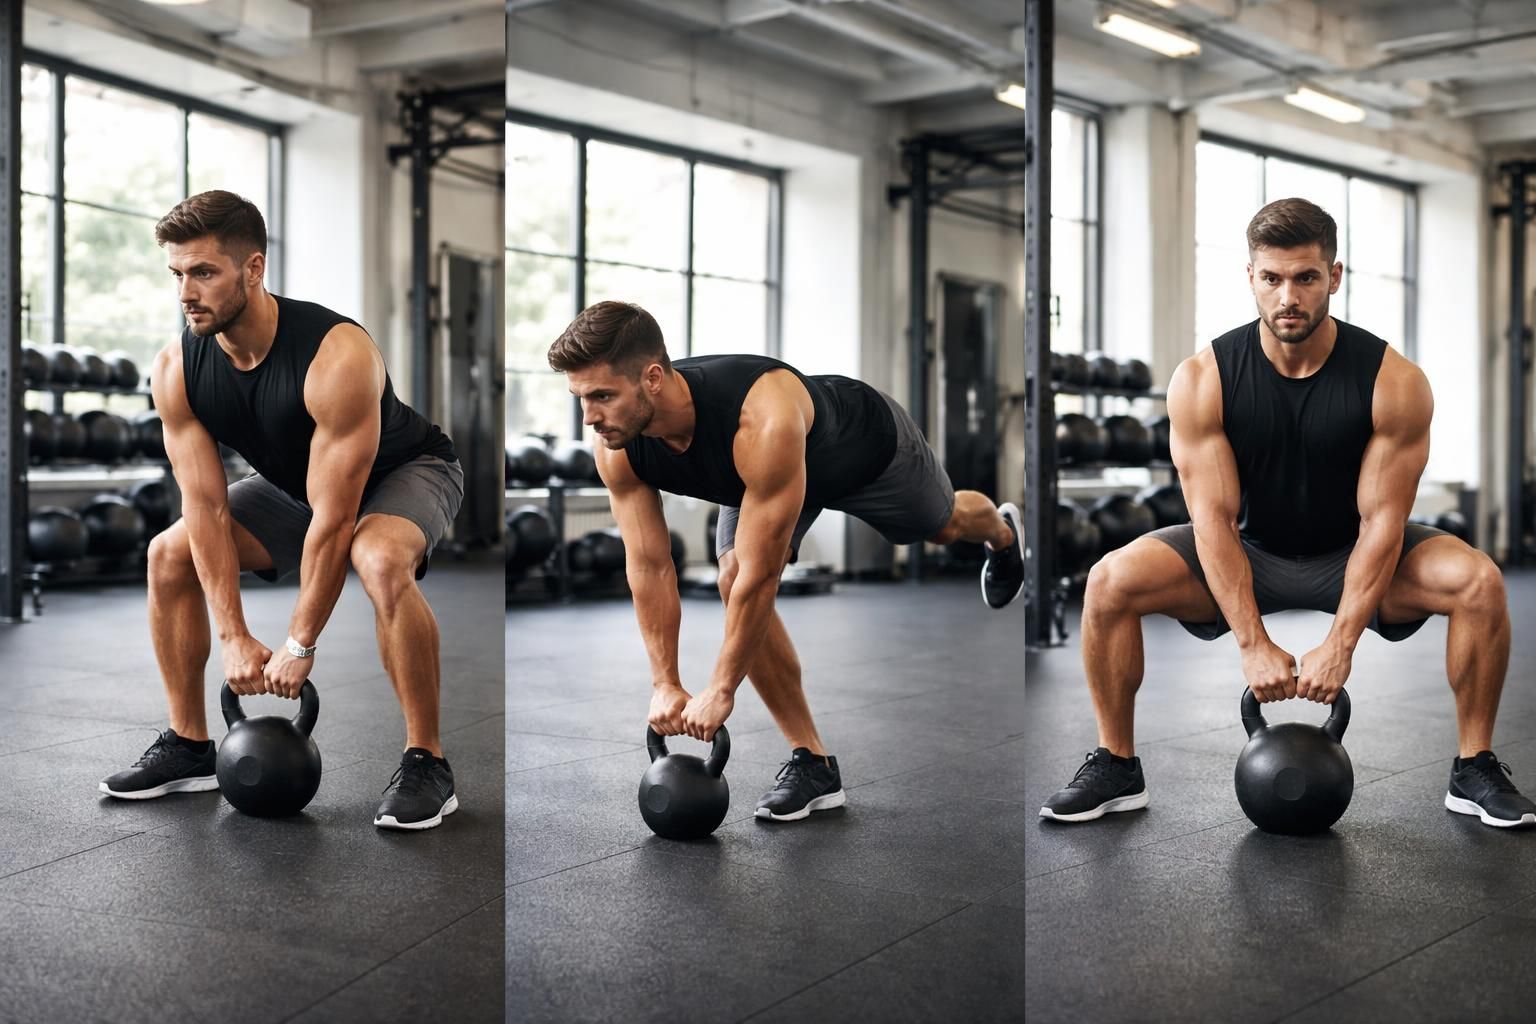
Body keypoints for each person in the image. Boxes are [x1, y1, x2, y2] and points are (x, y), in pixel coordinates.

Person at [1040, 196, 1536, 829]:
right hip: (1248, 550)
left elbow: (1383, 523)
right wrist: (1251, 642)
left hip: (1352, 551)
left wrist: (1341, 643)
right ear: (1250, 277)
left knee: (1479, 581)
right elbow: (1212, 521)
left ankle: (1474, 767)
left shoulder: (1393, 380)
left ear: (1334, 276)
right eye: (1271, 278)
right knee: (1110, 580)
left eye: (1305, 277)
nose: (1287, 297)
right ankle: (1116, 765)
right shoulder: (1204, 378)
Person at [548, 301, 1024, 821]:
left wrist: (721, 688)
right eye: (580, 399)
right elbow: (649, 566)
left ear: (654, 378)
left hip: (866, 452)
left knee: (943, 527)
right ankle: (812, 762)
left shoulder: (760, 417)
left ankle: (1000, 532)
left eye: (602, 396)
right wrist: (665, 681)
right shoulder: (616, 446)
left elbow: (763, 576)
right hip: (761, 477)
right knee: (730, 575)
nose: (590, 418)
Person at [98, 190, 465, 831]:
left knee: (376, 557)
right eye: (178, 274)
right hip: (293, 484)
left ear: (254, 269)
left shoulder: (337, 355)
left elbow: (335, 519)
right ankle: (188, 746)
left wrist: (299, 642)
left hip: (405, 471)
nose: (187, 291)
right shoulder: (177, 368)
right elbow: (206, 507)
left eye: (205, 272)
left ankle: (426, 760)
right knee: (169, 552)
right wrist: (234, 636)